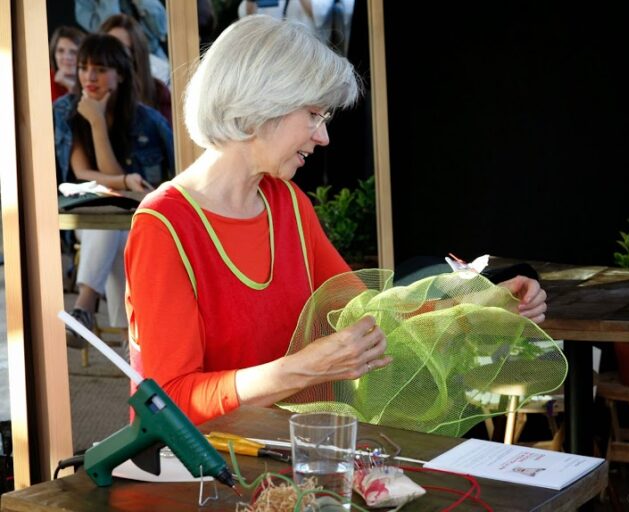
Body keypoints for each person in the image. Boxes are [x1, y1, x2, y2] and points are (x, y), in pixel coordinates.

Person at [125, 15, 546, 426]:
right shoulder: (163, 226)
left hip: (296, 458)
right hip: (212, 477)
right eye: (313, 115)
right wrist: (301, 369)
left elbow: (369, 317)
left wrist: (480, 305)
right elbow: (169, 402)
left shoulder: (287, 203)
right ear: (258, 106)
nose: (323, 137)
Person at [53, 34, 174, 348]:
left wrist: (98, 124)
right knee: (110, 225)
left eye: (100, 69)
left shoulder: (146, 120)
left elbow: (177, 168)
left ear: (120, 74)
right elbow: (84, 173)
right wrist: (93, 122)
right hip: (85, 220)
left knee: (121, 234)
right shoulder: (72, 114)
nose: (89, 77)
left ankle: (84, 309)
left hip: (135, 223)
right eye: (83, 68)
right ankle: (129, 340)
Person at [99, 13, 173, 125]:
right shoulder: (90, 90)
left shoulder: (158, 92)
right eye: (109, 47)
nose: (114, 55)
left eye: (123, 49)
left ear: (136, 54)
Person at [50, 26, 86, 101]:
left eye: (73, 52)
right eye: (60, 51)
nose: (66, 57)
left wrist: (70, 86)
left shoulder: (92, 80)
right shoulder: (44, 79)